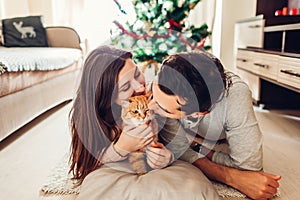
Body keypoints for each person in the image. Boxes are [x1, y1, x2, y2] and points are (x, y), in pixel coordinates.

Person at [69, 45, 220, 199]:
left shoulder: (154, 97)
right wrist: (122, 147)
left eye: (136, 73)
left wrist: (166, 157)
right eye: (126, 86)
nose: (140, 87)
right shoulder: (90, 116)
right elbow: (85, 164)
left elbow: (178, 144)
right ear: (107, 97)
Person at [148, 51, 281, 200]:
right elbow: (179, 149)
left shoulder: (235, 98)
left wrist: (202, 151)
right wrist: (231, 178)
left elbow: (248, 167)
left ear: (199, 113)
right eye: (153, 92)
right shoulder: (166, 81)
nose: (150, 105)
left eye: (163, 109)